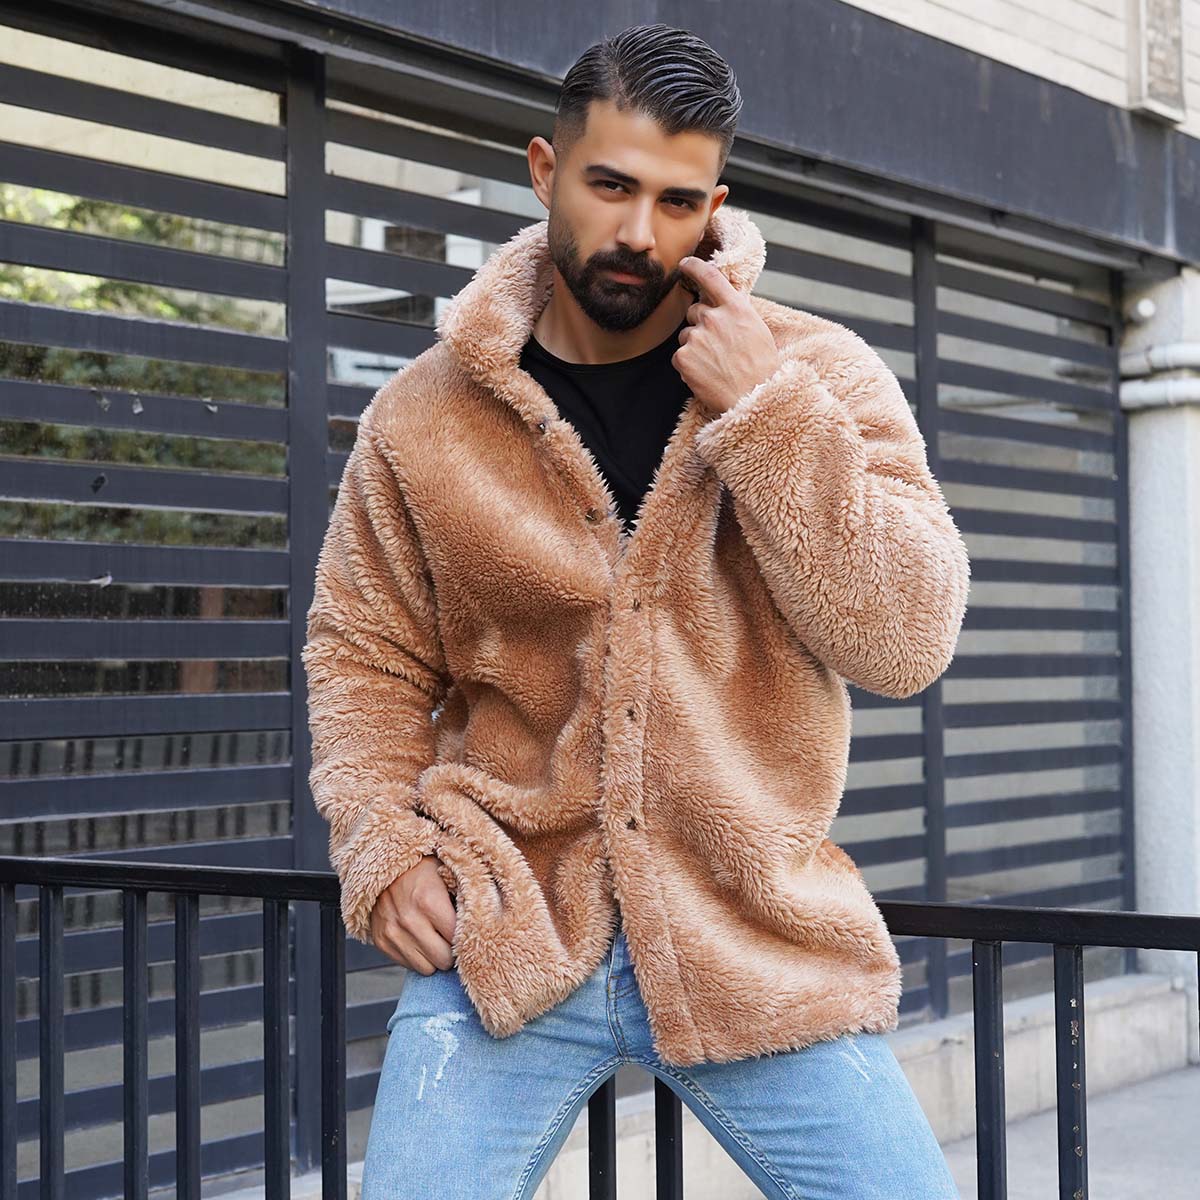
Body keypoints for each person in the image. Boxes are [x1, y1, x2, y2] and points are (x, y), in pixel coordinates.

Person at [302, 22, 969, 1200]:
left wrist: (766, 414)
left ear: (715, 207)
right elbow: (365, 655)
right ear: (545, 170)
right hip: (502, 937)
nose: (638, 233)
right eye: (610, 186)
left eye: (675, 201)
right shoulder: (421, 415)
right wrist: (381, 846)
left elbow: (907, 640)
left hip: (754, 940)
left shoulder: (818, 374)